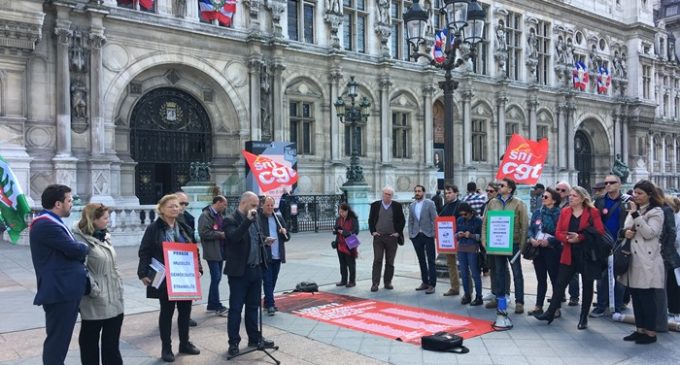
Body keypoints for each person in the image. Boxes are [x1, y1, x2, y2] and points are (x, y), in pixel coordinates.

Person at [29, 184, 89, 365]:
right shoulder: (46, 224)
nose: (72, 204)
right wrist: (84, 247)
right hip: (60, 291)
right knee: (58, 341)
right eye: (69, 201)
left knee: (60, 339)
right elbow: (74, 249)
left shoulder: (51, 222)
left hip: (65, 290)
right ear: (58, 203)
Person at [137, 194, 201, 362]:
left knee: (185, 311)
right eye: (171, 206)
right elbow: (145, 251)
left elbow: (194, 250)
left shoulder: (184, 227)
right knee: (167, 312)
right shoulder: (154, 228)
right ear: (162, 209)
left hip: (183, 277)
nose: (175, 208)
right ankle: (167, 347)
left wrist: (198, 268)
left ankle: (185, 343)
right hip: (165, 277)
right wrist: (143, 273)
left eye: (177, 206)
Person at [534, 186, 605, 330]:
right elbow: (558, 231)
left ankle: (583, 317)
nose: (571, 198)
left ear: (583, 198)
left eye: (574, 196)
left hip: (586, 254)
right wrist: (567, 238)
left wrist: (580, 237)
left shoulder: (593, 212)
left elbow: (599, 231)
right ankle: (550, 312)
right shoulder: (565, 211)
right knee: (560, 284)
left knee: (587, 285)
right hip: (568, 251)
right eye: (570, 195)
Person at [223, 192, 275, 357]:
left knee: (254, 307)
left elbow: (254, 238)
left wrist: (264, 240)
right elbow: (234, 238)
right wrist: (248, 220)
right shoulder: (230, 220)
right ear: (243, 202)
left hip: (256, 269)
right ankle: (233, 342)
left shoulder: (255, 219)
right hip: (239, 272)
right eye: (253, 205)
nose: (256, 208)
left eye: (256, 205)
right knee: (236, 309)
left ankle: (254, 338)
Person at [73, 203, 124, 365]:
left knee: (112, 344)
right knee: (89, 343)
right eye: (105, 218)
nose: (108, 221)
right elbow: (80, 270)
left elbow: (113, 263)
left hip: (114, 297)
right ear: (93, 220)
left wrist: (119, 282)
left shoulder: (104, 235)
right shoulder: (79, 240)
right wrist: (95, 290)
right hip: (94, 299)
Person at [619, 180, 665, 344]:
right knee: (635, 296)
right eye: (635, 192)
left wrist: (636, 215)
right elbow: (625, 229)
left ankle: (650, 333)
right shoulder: (634, 210)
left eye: (640, 193)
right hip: (631, 257)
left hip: (647, 260)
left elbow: (650, 233)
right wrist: (625, 232)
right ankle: (640, 329)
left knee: (646, 297)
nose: (636, 196)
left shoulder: (656, 211)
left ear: (649, 195)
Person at [481, 177, 528, 319]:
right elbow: (485, 223)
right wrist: (484, 240)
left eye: (502, 185)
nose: (499, 187)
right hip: (496, 244)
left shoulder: (518, 204)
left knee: (517, 273)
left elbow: (524, 225)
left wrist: (521, 245)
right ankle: (499, 298)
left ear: (510, 189)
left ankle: (519, 301)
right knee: (499, 272)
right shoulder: (492, 203)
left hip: (512, 244)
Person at [591, 175, 630, 317]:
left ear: (619, 184)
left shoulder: (627, 202)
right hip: (603, 244)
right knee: (601, 278)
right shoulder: (599, 201)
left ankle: (617, 306)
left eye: (612, 182)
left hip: (621, 244)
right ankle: (601, 306)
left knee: (619, 277)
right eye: (606, 183)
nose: (608, 185)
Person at [526, 188, 562, 317]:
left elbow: (561, 233)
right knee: (541, 279)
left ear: (554, 200)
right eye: (542, 196)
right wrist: (531, 238)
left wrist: (550, 241)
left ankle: (556, 307)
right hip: (538, 249)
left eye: (546, 197)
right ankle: (538, 306)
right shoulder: (537, 212)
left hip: (552, 250)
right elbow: (531, 228)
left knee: (554, 279)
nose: (543, 199)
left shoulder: (559, 214)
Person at [368, 186, 406, 292]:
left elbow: (402, 220)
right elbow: (371, 219)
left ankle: (387, 282)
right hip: (378, 237)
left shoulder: (397, 206)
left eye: (389, 194)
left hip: (391, 238)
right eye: (385, 194)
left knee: (390, 261)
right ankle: (375, 283)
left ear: (392, 196)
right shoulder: (375, 205)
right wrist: (373, 232)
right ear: (382, 194)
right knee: (377, 260)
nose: (387, 196)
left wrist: (397, 233)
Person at [258, 196, 289, 315]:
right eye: (268, 205)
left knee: (273, 280)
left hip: (277, 254)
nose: (270, 208)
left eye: (272, 205)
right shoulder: (259, 219)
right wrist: (265, 239)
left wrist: (284, 233)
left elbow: (287, 238)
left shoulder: (278, 218)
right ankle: (271, 304)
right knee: (268, 280)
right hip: (266, 255)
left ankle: (267, 301)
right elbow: (257, 235)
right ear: (262, 205)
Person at [198, 195, 228, 317]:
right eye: (224, 204)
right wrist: (220, 235)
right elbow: (203, 233)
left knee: (217, 278)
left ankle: (212, 304)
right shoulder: (206, 215)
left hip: (220, 250)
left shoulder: (218, 215)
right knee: (216, 277)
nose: (225, 207)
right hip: (212, 251)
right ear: (218, 202)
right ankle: (216, 305)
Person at [480, 182, 510, 306]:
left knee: (503, 268)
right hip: (489, 240)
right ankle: (494, 290)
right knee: (492, 266)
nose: (488, 193)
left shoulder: (500, 204)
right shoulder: (487, 204)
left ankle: (506, 293)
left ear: (497, 192)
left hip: (500, 239)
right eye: (487, 191)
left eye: (491, 191)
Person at [409, 185, 439, 294]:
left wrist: (434, 233)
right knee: (421, 260)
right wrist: (411, 234)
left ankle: (432, 284)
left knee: (431, 260)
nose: (417, 193)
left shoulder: (429, 204)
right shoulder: (412, 205)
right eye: (416, 191)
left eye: (419, 191)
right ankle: (424, 281)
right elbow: (410, 221)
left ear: (423, 192)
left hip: (428, 234)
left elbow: (435, 219)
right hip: (416, 235)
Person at [175, 191, 198, 327]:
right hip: (172, 259)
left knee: (187, 293)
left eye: (185, 203)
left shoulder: (189, 218)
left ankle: (186, 316)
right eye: (180, 203)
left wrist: (197, 264)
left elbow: (193, 241)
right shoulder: (163, 221)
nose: (183, 206)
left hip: (186, 259)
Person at [555, 181, 579, 307]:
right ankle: (560, 294)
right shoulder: (554, 204)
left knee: (572, 271)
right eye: (557, 189)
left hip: (568, 241)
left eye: (563, 190)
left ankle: (574, 296)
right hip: (556, 242)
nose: (559, 192)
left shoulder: (570, 206)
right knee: (559, 270)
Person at [456, 203, 483, 306]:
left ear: (470, 212)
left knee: (475, 273)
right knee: (463, 273)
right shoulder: (459, 220)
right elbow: (455, 234)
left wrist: (470, 235)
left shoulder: (477, 221)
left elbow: (481, 237)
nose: (463, 216)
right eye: (462, 214)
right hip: (461, 248)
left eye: (465, 214)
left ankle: (479, 296)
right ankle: (467, 294)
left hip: (473, 248)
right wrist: (458, 235)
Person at [439, 184, 463, 296]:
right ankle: (454, 287)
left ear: (456, 193)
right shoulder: (445, 206)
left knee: (464, 264)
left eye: (449, 192)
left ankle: (468, 291)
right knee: (451, 264)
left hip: (460, 239)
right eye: (446, 193)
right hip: (448, 240)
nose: (447, 195)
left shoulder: (461, 205)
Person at [333, 203, 360, 287]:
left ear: (347, 211)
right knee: (342, 263)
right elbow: (336, 229)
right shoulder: (338, 219)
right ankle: (343, 280)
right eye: (340, 212)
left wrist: (344, 232)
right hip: (340, 243)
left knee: (351, 263)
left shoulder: (353, 219)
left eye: (342, 212)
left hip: (350, 242)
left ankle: (352, 281)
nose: (341, 213)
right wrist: (335, 230)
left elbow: (356, 231)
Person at [667, 196, 680, 322]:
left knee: (674, 284)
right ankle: (672, 309)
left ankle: (675, 310)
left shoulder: (676, 218)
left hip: (674, 256)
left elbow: (677, 240)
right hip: (671, 255)